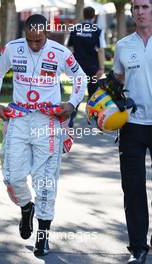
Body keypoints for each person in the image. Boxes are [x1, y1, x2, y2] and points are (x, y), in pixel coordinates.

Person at [0, 14, 86, 257]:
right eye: (30, 40)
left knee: (45, 180)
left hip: (48, 122)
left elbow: (80, 77)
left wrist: (72, 103)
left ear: (47, 34)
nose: (34, 45)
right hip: (19, 118)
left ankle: (42, 236)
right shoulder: (13, 49)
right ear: (25, 35)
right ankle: (26, 207)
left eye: (38, 40)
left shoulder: (60, 52)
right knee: (11, 174)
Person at [113, 0, 152, 263]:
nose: (140, 12)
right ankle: (138, 248)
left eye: (145, 7)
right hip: (132, 126)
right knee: (133, 188)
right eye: (136, 7)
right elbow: (117, 79)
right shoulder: (123, 45)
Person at [67, 6, 106, 127]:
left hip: (78, 68)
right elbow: (100, 50)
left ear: (83, 15)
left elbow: (69, 48)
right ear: (93, 16)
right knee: (93, 93)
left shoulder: (75, 29)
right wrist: (101, 68)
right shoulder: (98, 30)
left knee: (77, 91)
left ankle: (71, 118)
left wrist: (70, 66)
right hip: (92, 68)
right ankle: (93, 119)